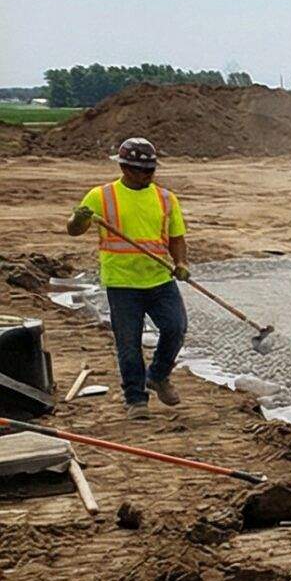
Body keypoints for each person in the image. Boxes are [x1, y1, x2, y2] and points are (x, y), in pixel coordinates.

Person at [65, 137, 190, 411]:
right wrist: (79, 219)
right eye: (141, 170)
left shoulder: (166, 198)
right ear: (124, 168)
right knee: (128, 344)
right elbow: (73, 230)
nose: (147, 175)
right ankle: (135, 399)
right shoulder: (101, 197)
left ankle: (157, 376)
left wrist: (180, 262)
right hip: (122, 283)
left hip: (158, 278)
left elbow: (176, 237)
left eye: (151, 170)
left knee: (175, 327)